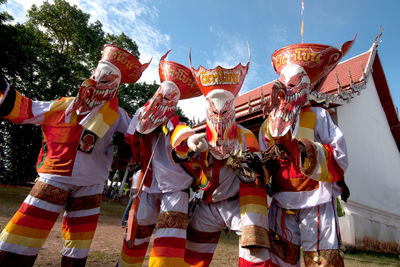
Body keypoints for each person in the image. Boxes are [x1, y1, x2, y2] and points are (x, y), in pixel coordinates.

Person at [0, 44, 149, 266]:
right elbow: (27, 109)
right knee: (22, 235)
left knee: (78, 246)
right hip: (55, 177)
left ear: (116, 87)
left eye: (107, 80)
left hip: (92, 184)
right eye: (96, 76)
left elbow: (139, 134)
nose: (98, 83)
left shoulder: (118, 115)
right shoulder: (65, 105)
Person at [258, 37, 355, 266]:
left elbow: (340, 153)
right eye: (281, 84)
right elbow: (263, 161)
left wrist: (305, 151)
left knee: (322, 260)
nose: (283, 91)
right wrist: (259, 167)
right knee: (280, 259)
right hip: (282, 200)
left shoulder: (319, 116)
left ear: (304, 88)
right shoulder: (268, 124)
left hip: (317, 200)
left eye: (290, 86)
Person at [172, 47, 272, 266]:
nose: (219, 117)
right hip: (208, 204)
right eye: (214, 112)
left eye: (225, 112)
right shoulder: (199, 136)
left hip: (240, 205)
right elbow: (178, 133)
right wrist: (189, 142)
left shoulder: (246, 136)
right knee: (192, 255)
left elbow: (258, 172)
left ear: (233, 110)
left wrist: (253, 164)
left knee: (256, 254)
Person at [117, 50, 202, 267]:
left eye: (168, 98)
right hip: (147, 185)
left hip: (174, 188)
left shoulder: (176, 122)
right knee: (137, 234)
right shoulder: (142, 114)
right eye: (159, 96)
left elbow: (181, 135)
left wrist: (190, 141)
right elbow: (131, 137)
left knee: (168, 241)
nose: (160, 102)